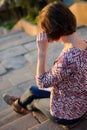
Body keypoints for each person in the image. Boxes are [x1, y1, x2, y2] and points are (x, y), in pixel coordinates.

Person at [3, 1, 87, 127]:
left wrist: (42, 51)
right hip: (80, 101)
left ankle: (20, 105)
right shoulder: (84, 44)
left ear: (52, 30)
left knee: (35, 100)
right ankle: (18, 103)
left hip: (67, 115)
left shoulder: (67, 59)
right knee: (32, 91)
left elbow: (42, 82)